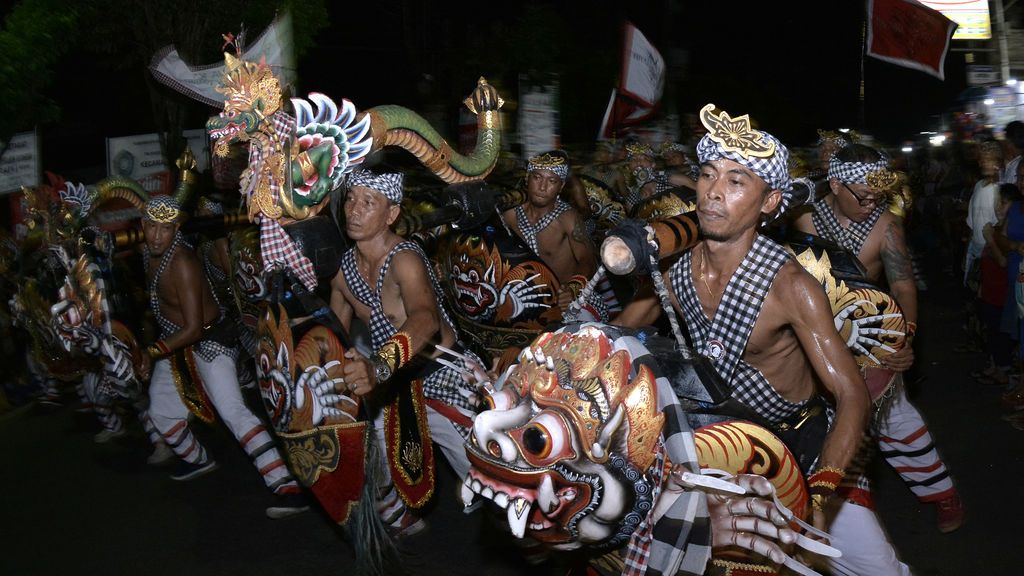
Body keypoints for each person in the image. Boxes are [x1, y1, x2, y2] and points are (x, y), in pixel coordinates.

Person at [614, 104, 870, 535]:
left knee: (868, 562)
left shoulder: (792, 288)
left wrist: (821, 489)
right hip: (713, 442)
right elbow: (617, 338)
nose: (713, 192)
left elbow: (852, 394)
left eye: (736, 181)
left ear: (769, 201)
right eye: (707, 174)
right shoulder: (675, 270)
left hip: (794, 449)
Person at [792, 142, 963, 574]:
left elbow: (902, 284)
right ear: (835, 184)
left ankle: (943, 495)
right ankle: (845, 510)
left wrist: (904, 336)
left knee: (897, 422)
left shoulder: (886, 226)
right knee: (825, 430)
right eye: (863, 196)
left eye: (878, 196)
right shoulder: (801, 219)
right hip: (811, 344)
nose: (872, 204)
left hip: (869, 340)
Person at [329, 169, 483, 537]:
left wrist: (378, 367)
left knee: (489, 472)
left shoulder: (405, 258)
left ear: (391, 214)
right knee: (371, 454)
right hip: (394, 383)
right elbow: (334, 334)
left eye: (368, 203)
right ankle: (399, 519)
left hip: (443, 374)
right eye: (351, 199)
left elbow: (425, 320)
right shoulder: (342, 270)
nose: (354, 210)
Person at [137, 196, 308, 518]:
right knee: (161, 413)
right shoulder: (147, 253)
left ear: (176, 229)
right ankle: (199, 460)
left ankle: (287, 485)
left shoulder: (182, 262)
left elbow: (193, 328)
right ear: (142, 226)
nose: (157, 236)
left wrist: (151, 352)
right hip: (175, 345)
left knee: (233, 411)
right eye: (152, 227)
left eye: (165, 228)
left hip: (208, 341)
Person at [500, 150, 604, 318]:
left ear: (561, 187)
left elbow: (587, 259)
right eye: (537, 178)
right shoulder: (510, 217)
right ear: (527, 178)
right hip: (521, 299)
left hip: (567, 298)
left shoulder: (567, 218)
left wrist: (573, 288)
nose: (542, 187)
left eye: (552, 181)